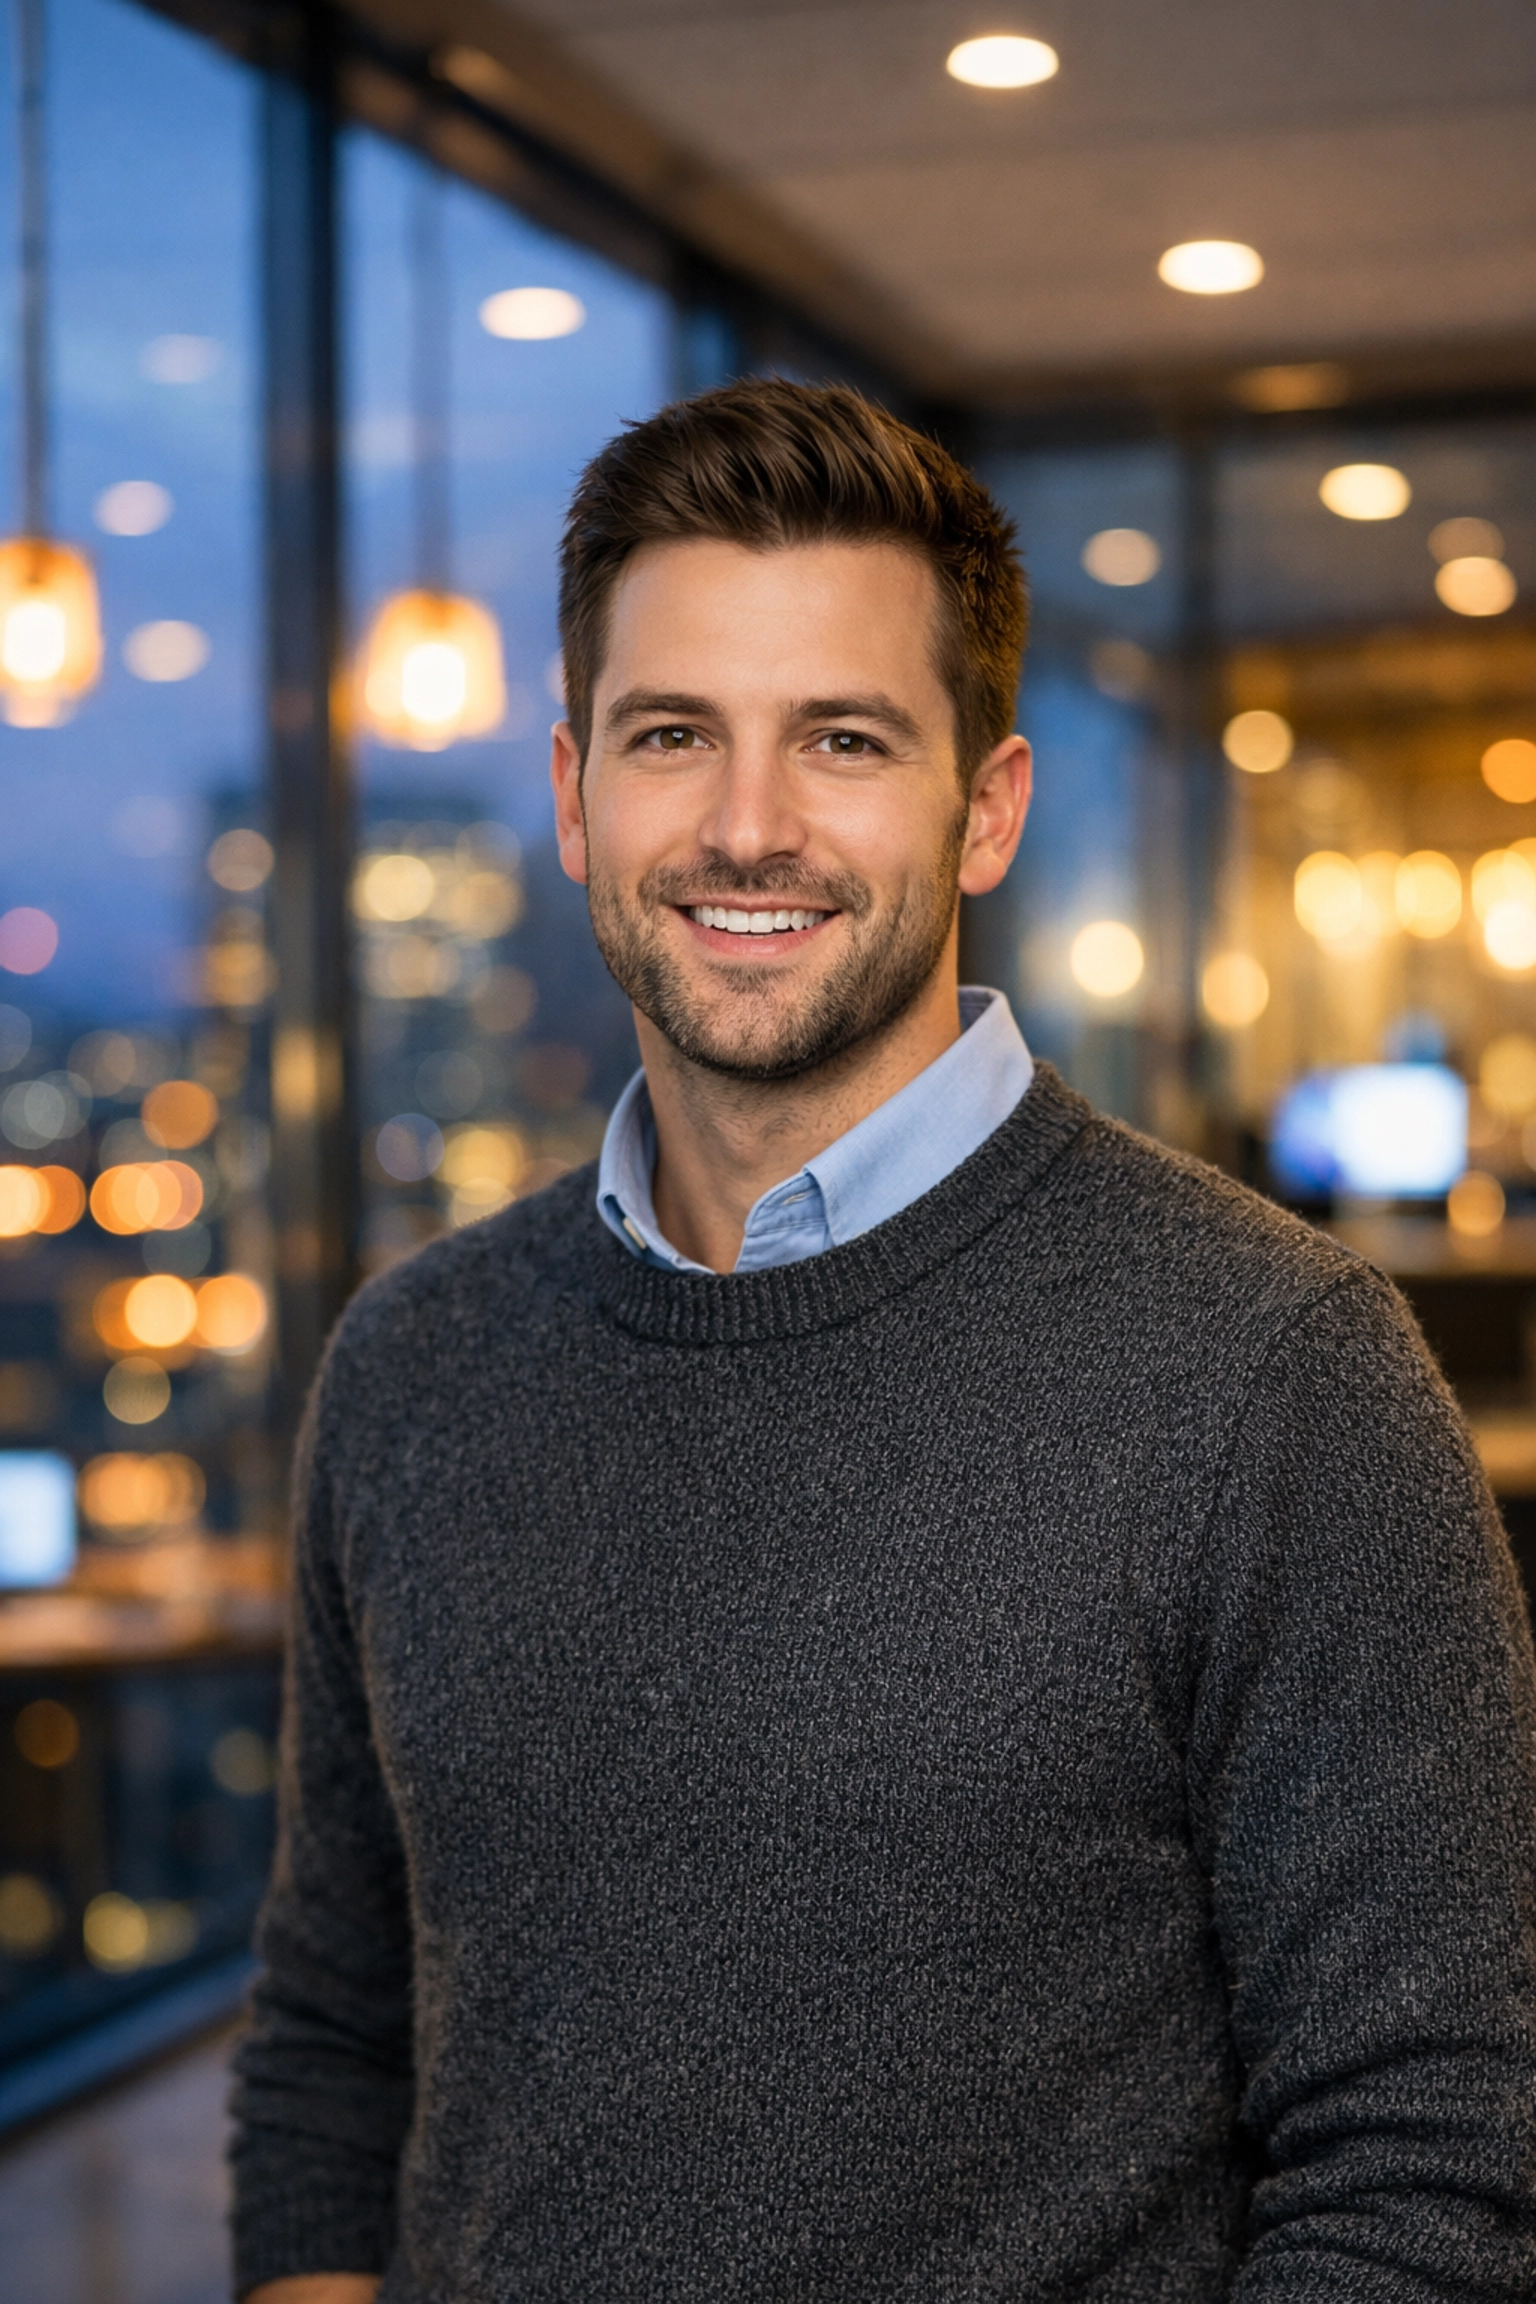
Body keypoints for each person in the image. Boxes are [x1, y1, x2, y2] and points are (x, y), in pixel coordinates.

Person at [232, 380, 1536, 2303]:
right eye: (674, 735)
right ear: (577, 794)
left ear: (984, 809)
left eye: (842, 739)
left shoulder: (1279, 1372)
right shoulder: (412, 1368)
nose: (747, 826)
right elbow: (334, 2049)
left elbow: (1431, 2166)